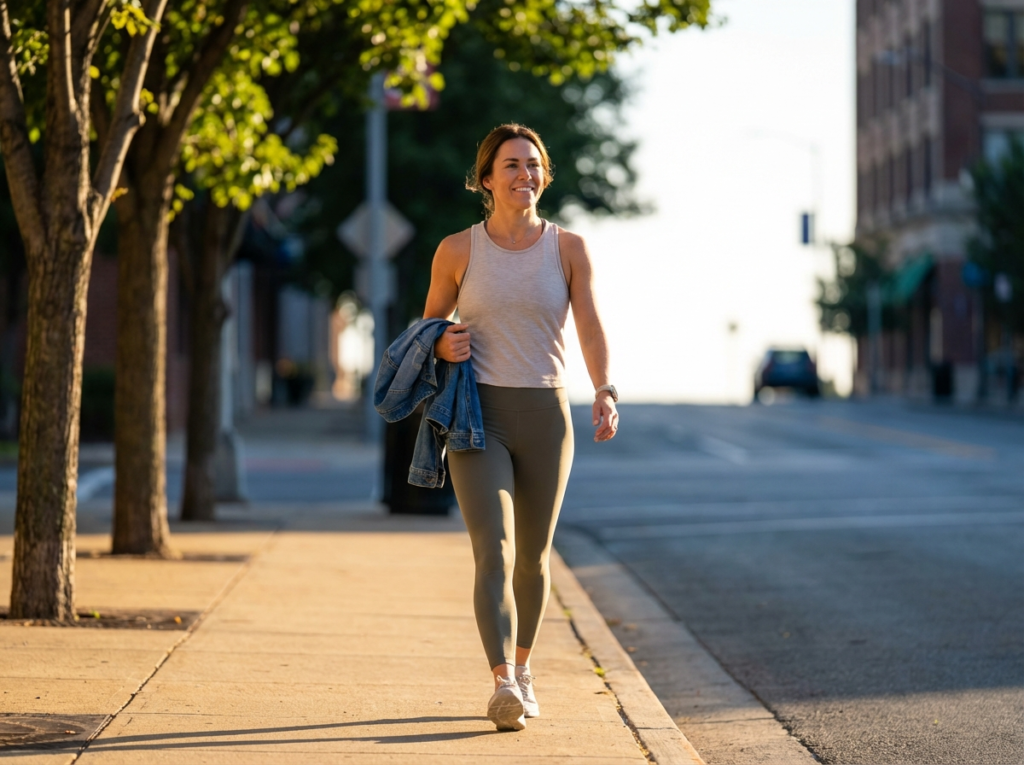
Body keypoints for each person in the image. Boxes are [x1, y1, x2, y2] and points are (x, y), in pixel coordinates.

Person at [422, 123, 619, 732]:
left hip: (546, 414)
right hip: (477, 417)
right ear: (486, 179)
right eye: (510, 165)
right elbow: (427, 330)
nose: (524, 175)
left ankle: (527, 669)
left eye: (533, 165)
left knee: (533, 556)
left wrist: (604, 389)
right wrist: (444, 344)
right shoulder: (458, 250)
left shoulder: (568, 248)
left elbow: (588, 323)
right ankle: (503, 680)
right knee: (494, 550)